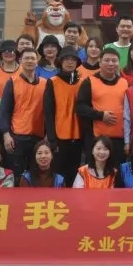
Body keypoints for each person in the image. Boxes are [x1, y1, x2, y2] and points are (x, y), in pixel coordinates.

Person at [0, 44, 48, 181]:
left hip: (38, 137)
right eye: (26, 58)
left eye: (33, 58)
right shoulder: (12, 82)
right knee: (17, 175)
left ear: (37, 61)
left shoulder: (45, 84)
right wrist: (6, 134)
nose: (30, 61)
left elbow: (49, 112)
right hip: (17, 136)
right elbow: (5, 110)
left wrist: (48, 135)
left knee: (36, 175)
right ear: (20, 61)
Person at [76, 47, 129, 158]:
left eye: (114, 61)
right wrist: (100, 116)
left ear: (119, 63)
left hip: (119, 139)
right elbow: (80, 107)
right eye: (107, 60)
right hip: (96, 139)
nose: (111, 63)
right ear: (100, 62)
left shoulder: (124, 83)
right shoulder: (89, 82)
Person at [43, 46, 85, 185]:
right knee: (58, 174)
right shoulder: (53, 81)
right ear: (60, 62)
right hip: (59, 136)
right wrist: (52, 138)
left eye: (73, 59)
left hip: (78, 136)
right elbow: (48, 112)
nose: (70, 62)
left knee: (74, 173)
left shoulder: (83, 82)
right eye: (66, 59)